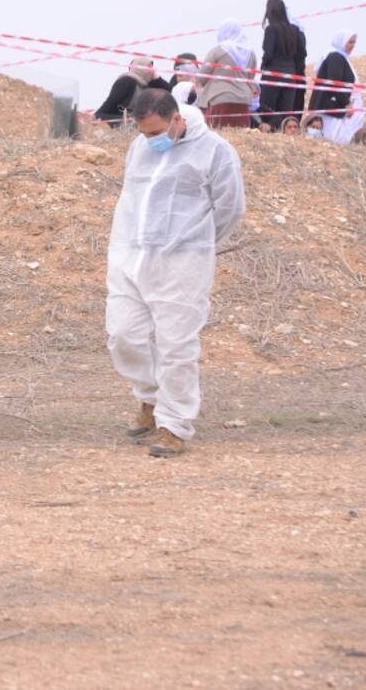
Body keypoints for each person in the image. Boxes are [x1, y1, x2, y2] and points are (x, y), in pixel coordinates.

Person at [106, 88, 246, 458]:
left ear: (177, 119)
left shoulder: (215, 151)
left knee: (176, 344)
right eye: (143, 133)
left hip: (183, 262)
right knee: (123, 334)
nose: (149, 140)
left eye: (155, 132)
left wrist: (194, 243)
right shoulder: (139, 146)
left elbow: (230, 207)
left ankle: (174, 424)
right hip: (131, 255)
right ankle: (150, 399)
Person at [198, 19, 259, 129]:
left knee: (219, 135)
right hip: (243, 100)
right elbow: (251, 78)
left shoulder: (218, 50)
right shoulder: (251, 53)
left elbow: (202, 77)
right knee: (241, 139)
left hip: (220, 97)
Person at [258, 0, 308, 129]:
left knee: (267, 110)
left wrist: (263, 66)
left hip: (273, 75)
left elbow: (268, 53)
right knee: (285, 113)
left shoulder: (271, 30)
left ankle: (269, 134)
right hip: (290, 75)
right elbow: (301, 53)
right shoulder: (295, 30)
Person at [308, 30, 364, 145]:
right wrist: (346, 103)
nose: (352, 46)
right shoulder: (335, 57)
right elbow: (334, 83)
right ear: (341, 42)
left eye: (354, 43)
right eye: (350, 42)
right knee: (333, 140)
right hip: (333, 109)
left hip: (337, 108)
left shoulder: (341, 57)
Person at [94, 58, 157, 127]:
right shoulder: (126, 82)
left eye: (152, 68)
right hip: (123, 126)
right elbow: (101, 113)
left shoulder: (147, 86)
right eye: (149, 68)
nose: (152, 71)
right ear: (140, 68)